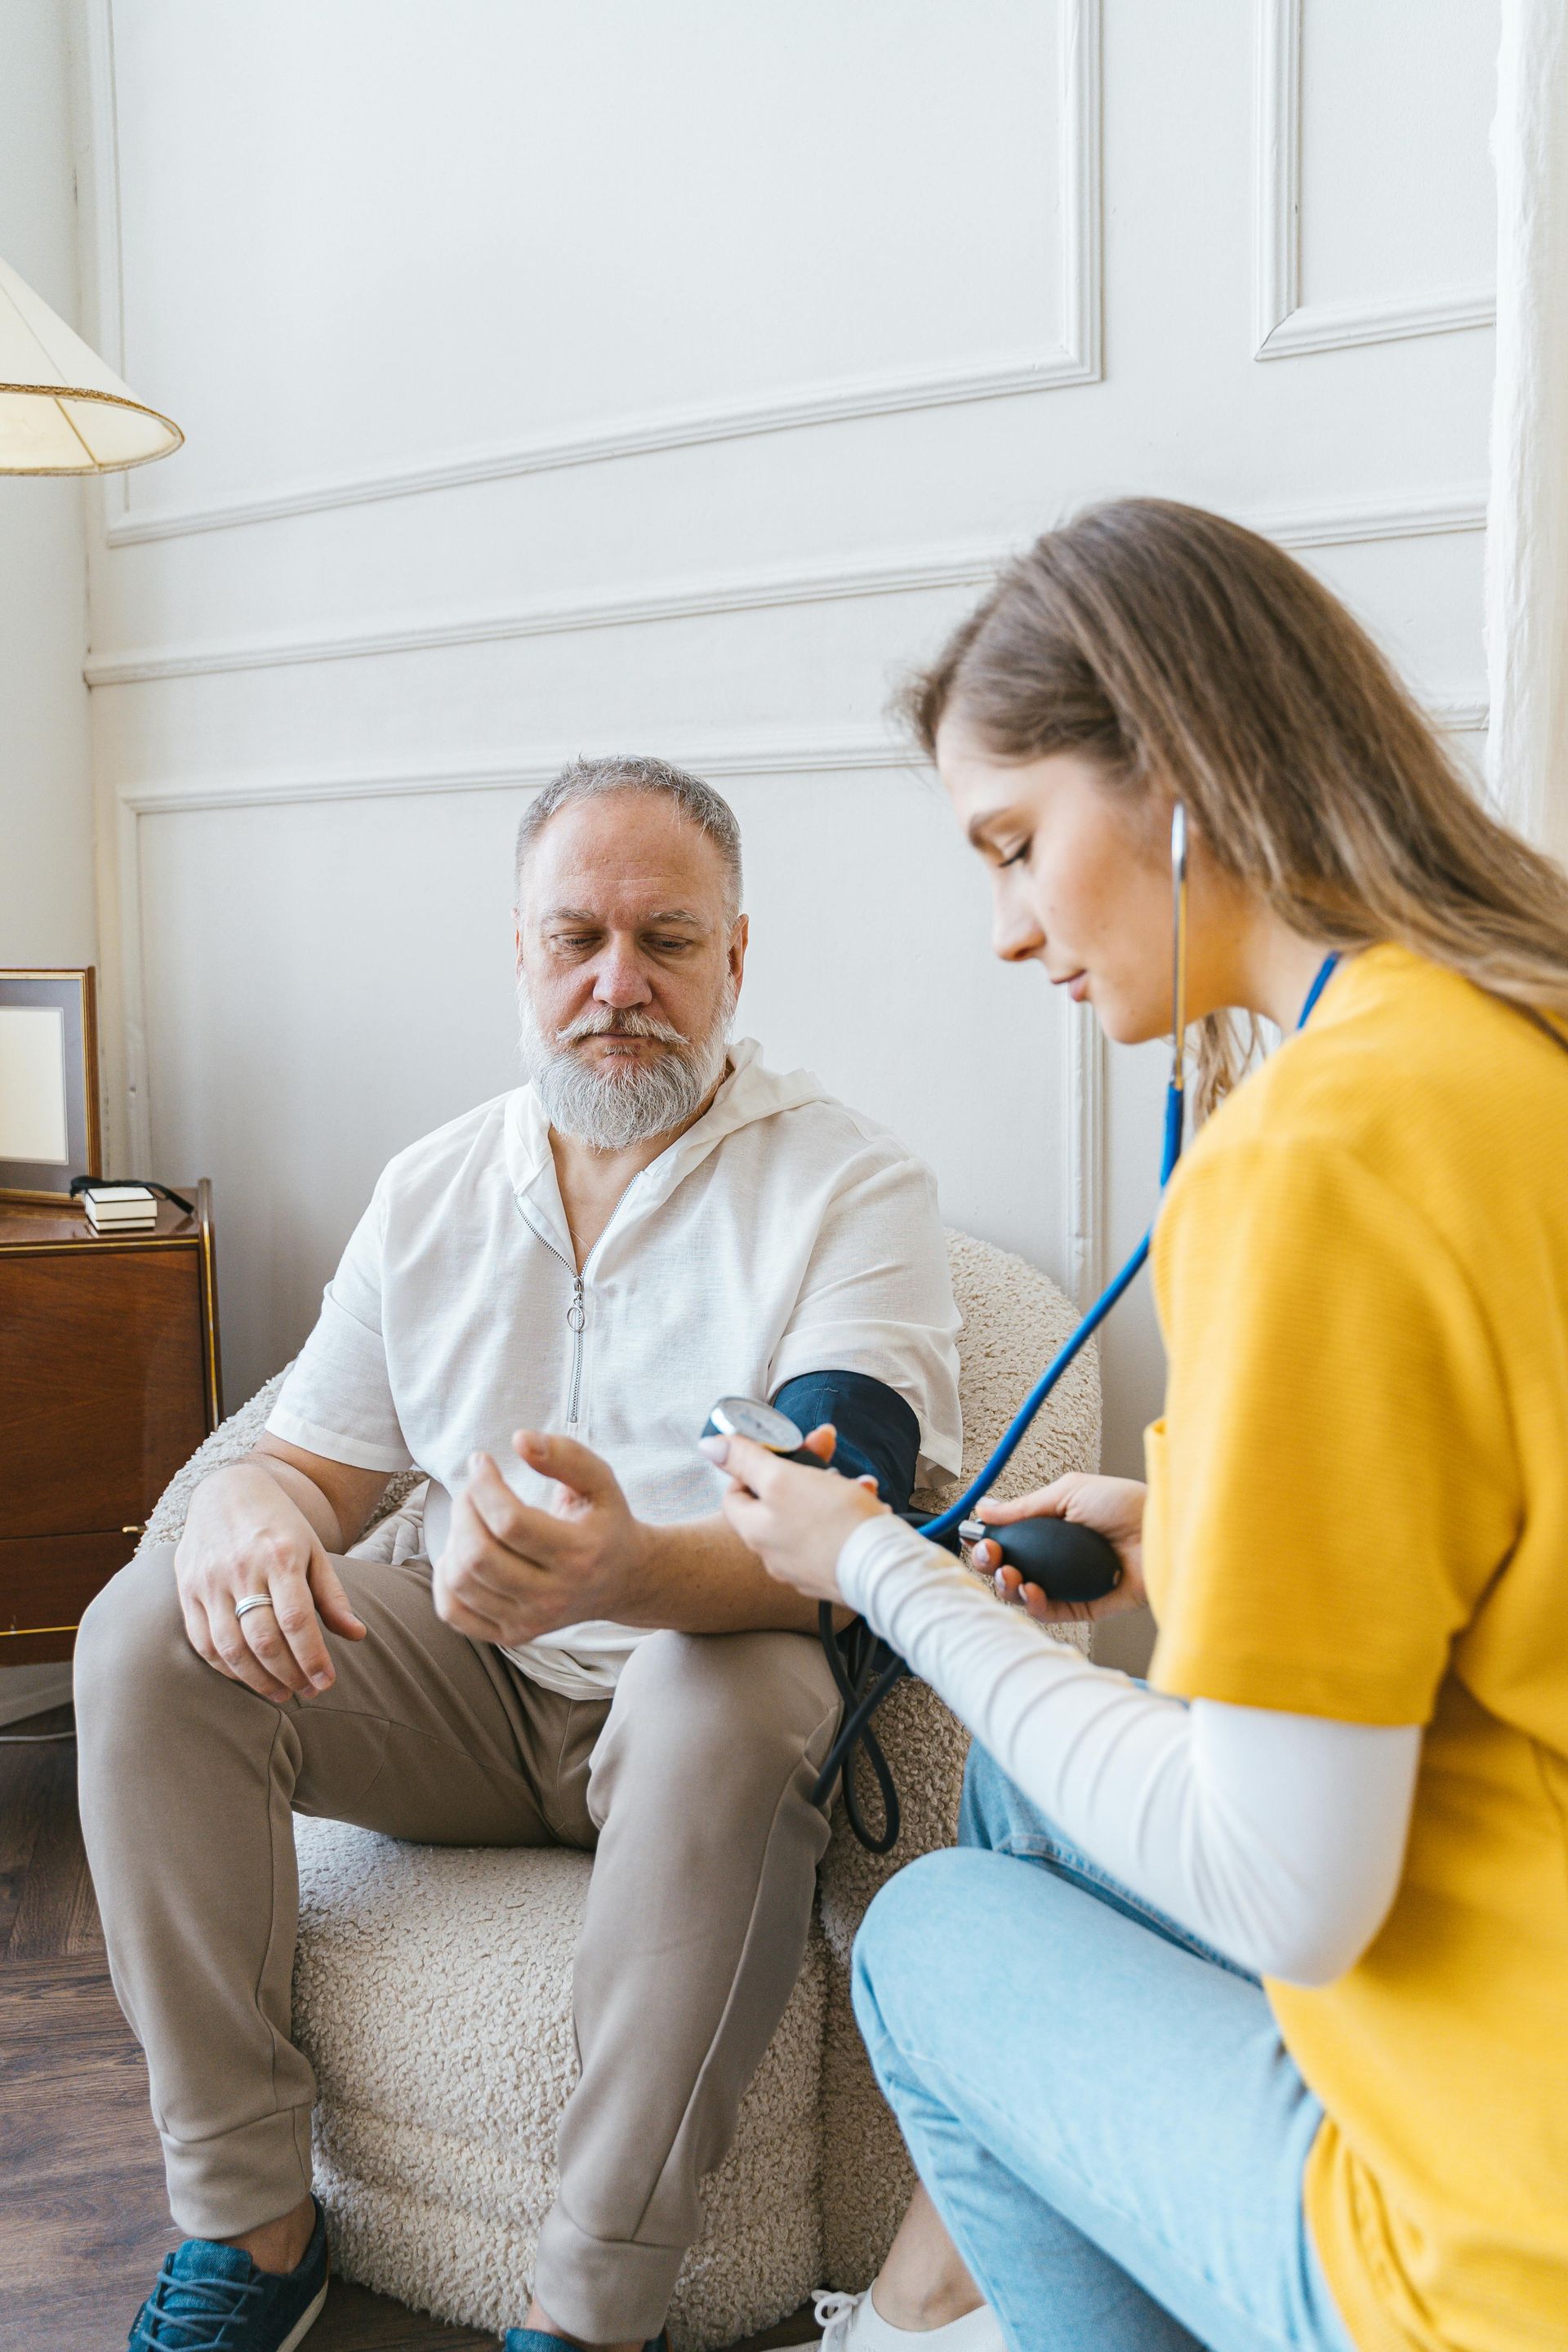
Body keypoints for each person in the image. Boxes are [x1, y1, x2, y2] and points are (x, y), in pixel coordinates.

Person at [704, 501, 1568, 2352]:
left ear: (1180, 771)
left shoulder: (1319, 1151)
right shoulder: (1507, 1037)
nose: (1009, 933)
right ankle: (953, 2313)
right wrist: (1191, 1535)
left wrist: (877, 1571)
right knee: (1028, 1787)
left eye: (1016, 847)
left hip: (1503, 2245)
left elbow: (1290, 1892)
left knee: (932, 1937)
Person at [75, 754, 962, 2352]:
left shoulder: (851, 1184)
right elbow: (304, 1464)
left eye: (667, 942)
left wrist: (621, 1574)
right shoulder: (432, 1189)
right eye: (576, 940)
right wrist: (246, 1515)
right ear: (519, 958)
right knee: (144, 1640)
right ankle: (254, 2227)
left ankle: (588, 2310)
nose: (617, 985)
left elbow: (860, 1541)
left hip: (695, 1684)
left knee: (731, 1703)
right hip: (470, 1691)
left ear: (737, 961)